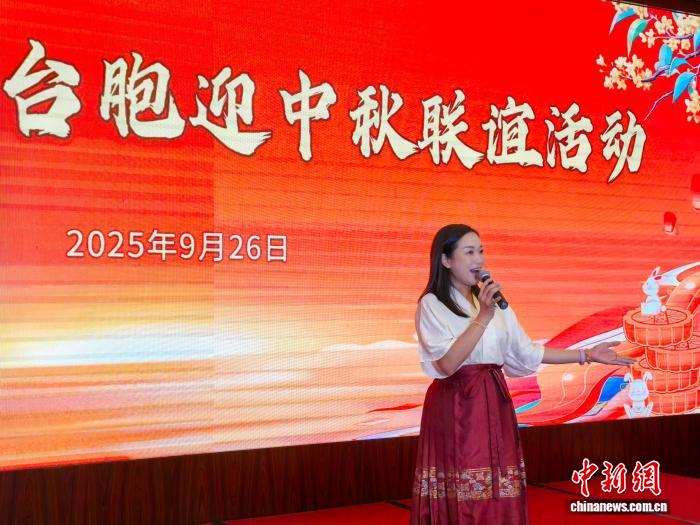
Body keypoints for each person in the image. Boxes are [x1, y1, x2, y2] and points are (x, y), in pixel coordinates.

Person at [410, 224, 636, 525]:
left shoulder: (493, 304)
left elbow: (528, 353)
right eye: (469, 252)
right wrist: (483, 317)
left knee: (497, 483)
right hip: (455, 404)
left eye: (481, 251)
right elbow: (447, 364)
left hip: (493, 399)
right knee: (463, 482)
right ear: (446, 260)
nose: (479, 259)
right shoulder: (432, 304)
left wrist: (586, 355)